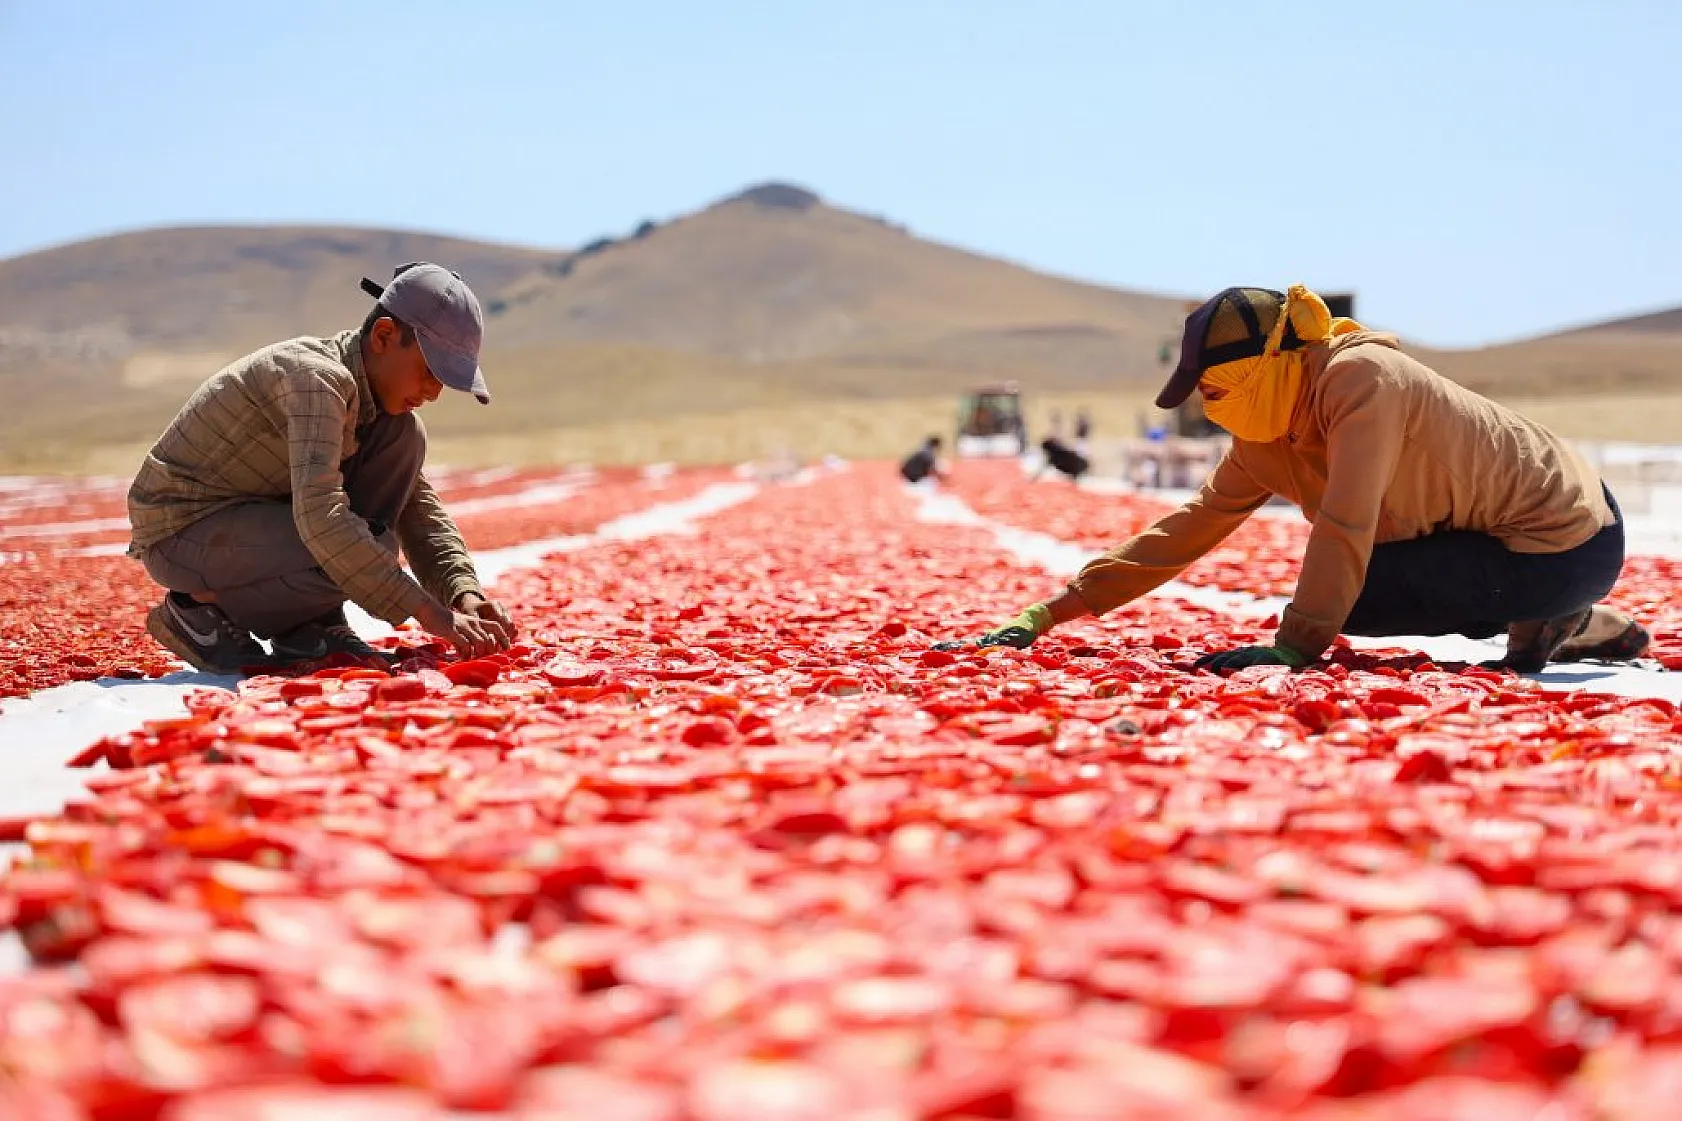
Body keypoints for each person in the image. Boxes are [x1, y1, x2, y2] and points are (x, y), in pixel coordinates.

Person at [955, 285, 1650, 673]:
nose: (1212, 407)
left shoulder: (1361, 378)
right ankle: (1576, 619)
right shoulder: (1266, 437)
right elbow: (1188, 529)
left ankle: (1549, 611)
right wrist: (1052, 611)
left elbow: (1348, 521)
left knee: (1351, 591)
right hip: (1518, 551)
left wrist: (1296, 647)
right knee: (1351, 595)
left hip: (1569, 535)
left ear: (1272, 364)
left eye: (1218, 387)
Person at [128, 262, 518, 674]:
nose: (434, 393)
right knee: (372, 543)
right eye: (430, 371)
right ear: (384, 336)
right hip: (183, 531)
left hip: (256, 524)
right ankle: (197, 609)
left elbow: (417, 509)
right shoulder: (316, 380)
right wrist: (429, 614)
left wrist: (464, 595)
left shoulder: (378, 408)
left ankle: (310, 625)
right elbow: (321, 517)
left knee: (405, 437)